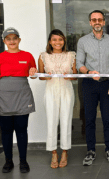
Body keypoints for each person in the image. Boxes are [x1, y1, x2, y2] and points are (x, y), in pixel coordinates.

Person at [0, 27, 37, 173]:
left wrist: (34, 72)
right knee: (6, 131)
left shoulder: (28, 56)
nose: (12, 41)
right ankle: (8, 161)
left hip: (23, 97)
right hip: (3, 98)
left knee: (22, 130)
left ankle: (23, 162)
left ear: (19, 40)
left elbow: (33, 74)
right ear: (4, 41)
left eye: (14, 38)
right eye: (8, 39)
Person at [76, 10, 109, 165]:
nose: (97, 22)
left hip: (108, 83)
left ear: (104, 22)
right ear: (90, 22)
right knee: (90, 119)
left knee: (108, 119)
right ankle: (90, 151)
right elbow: (79, 64)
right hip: (89, 84)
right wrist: (88, 72)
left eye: (100, 19)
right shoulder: (82, 41)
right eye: (94, 20)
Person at [38, 29, 77, 168]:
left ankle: (65, 152)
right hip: (51, 90)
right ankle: (54, 152)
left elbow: (75, 75)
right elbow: (40, 75)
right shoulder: (43, 56)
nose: (57, 42)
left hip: (66, 90)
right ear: (50, 41)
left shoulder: (71, 55)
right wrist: (46, 76)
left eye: (60, 39)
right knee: (51, 121)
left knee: (66, 120)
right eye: (54, 40)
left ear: (64, 41)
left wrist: (70, 76)